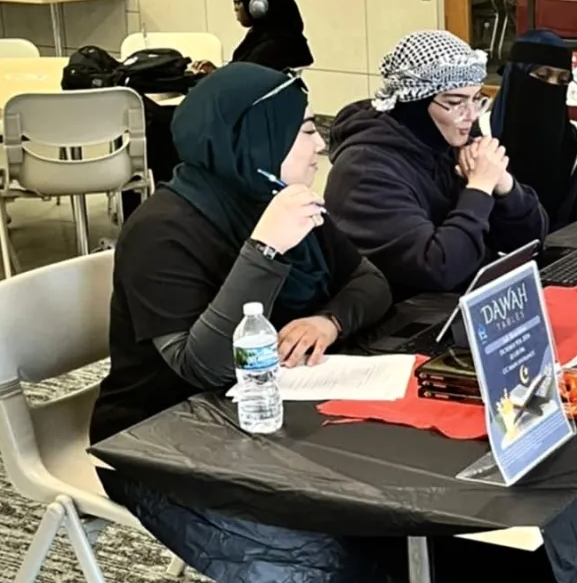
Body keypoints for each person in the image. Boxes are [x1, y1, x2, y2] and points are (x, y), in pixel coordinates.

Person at [89, 63, 404, 581]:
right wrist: (265, 249)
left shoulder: (277, 200)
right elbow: (203, 365)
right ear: (259, 139)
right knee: (323, 560)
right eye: (304, 130)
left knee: (387, 521)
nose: (319, 145)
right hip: (157, 437)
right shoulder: (161, 231)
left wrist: (328, 320)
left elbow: (371, 282)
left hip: (267, 417)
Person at [325, 30, 549, 300]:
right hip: (399, 319)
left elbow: (533, 238)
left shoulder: (454, 142)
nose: (471, 115)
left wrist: (505, 187)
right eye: (455, 103)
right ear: (415, 102)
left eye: (477, 99)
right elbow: (439, 268)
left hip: (459, 301)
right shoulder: (364, 171)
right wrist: (478, 189)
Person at [480, 29, 577, 231]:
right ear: (515, 76)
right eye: (542, 76)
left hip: (566, 253)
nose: (551, 87)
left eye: (562, 80)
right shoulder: (478, 137)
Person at [193, 0, 314, 74]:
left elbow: (240, 85)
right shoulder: (267, 36)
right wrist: (215, 72)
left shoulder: (271, 49)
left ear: (258, 8)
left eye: (239, 2)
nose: (235, 8)